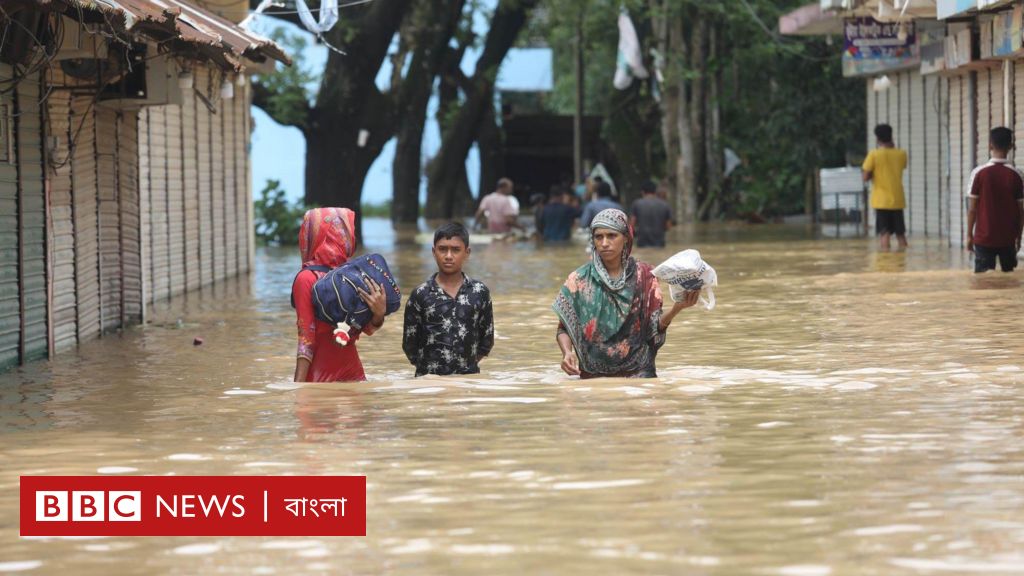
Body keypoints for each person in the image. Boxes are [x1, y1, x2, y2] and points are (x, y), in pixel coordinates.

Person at [552, 209, 699, 379]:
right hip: (593, 377)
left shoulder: (645, 275)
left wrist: (677, 308)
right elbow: (563, 328)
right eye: (598, 237)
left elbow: (654, 327)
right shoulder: (579, 279)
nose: (604, 243)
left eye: (612, 236)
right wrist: (567, 353)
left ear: (626, 238)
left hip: (638, 375)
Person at [292, 208, 387, 382]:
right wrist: (378, 316)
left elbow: (306, 339)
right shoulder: (355, 276)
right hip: (355, 377)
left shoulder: (306, 278)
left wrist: (297, 391)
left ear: (311, 236)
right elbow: (367, 329)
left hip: (319, 380)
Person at [403, 222, 495, 376]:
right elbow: (409, 345)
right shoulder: (420, 294)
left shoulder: (479, 292)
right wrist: (431, 370)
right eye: (442, 249)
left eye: (456, 250)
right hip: (429, 384)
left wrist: (464, 366)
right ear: (433, 252)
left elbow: (486, 341)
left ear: (467, 252)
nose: (448, 256)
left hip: (468, 380)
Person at [966, 126, 1024, 273]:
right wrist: (1018, 237)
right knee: (1009, 283)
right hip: (1007, 240)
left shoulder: (978, 174)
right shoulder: (1017, 175)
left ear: (990, 145)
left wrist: (968, 235)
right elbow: (1021, 212)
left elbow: (972, 209)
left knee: (983, 286)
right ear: (1011, 146)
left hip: (983, 239)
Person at [862, 123, 909, 250]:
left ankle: (885, 265)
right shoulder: (901, 154)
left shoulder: (874, 155)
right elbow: (902, 166)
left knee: (884, 235)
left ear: (877, 139)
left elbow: (865, 177)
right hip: (898, 200)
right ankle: (903, 264)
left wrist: (872, 174)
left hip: (881, 201)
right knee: (901, 235)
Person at [629, 180, 673, 248]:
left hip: (642, 242)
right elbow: (668, 226)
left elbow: (631, 226)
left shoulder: (636, 204)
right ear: (655, 191)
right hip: (659, 243)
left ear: (642, 191)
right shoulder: (665, 205)